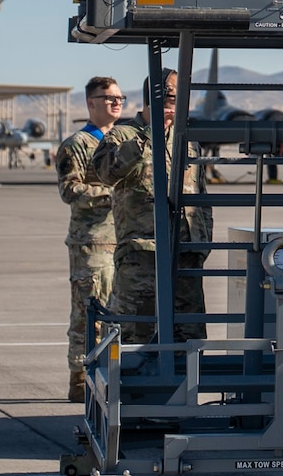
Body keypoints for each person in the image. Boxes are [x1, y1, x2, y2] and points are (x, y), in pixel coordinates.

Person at [90, 69, 211, 347]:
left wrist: (203, 241)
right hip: (142, 254)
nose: (177, 103)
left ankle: (183, 388)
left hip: (185, 254)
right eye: (172, 96)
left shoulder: (187, 139)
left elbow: (200, 193)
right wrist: (147, 136)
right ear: (155, 97)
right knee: (134, 335)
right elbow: (106, 172)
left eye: (181, 97)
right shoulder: (124, 134)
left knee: (188, 337)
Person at [56, 75, 123, 402]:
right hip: (91, 243)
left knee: (119, 312)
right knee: (87, 312)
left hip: (123, 241)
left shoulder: (126, 142)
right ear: (91, 103)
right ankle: (80, 378)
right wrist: (112, 194)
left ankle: (112, 376)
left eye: (119, 97)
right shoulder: (76, 145)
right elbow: (70, 190)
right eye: (108, 97)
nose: (116, 102)